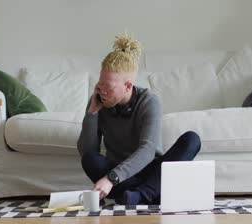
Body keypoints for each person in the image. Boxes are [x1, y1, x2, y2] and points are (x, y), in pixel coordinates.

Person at [77, 33, 201, 205]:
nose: (101, 89)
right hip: (122, 176)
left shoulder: (149, 101)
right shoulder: (99, 101)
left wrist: (111, 179)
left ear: (127, 86)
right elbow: (87, 151)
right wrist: (91, 114)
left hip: (148, 169)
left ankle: (139, 195)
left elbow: (148, 150)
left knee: (191, 140)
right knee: (90, 159)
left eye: (108, 86)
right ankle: (147, 194)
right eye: (100, 82)